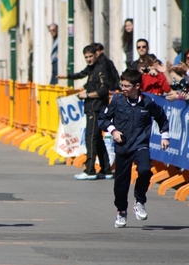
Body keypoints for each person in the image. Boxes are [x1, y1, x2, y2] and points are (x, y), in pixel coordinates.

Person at [98, 68, 169, 228]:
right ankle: (121, 211)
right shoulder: (117, 100)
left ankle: (140, 201)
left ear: (137, 86)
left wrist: (165, 136)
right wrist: (113, 131)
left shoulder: (147, 103)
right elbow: (102, 119)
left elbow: (162, 118)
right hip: (123, 146)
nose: (123, 88)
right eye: (121, 84)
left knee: (145, 170)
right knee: (121, 184)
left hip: (140, 144)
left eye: (126, 85)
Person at [60, 45, 112, 180]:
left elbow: (103, 91)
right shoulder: (92, 69)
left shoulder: (100, 69)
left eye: (90, 56)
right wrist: (66, 76)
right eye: (86, 57)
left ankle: (90, 170)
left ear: (96, 55)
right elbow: (81, 75)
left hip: (96, 108)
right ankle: (106, 169)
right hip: (91, 107)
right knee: (97, 140)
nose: (88, 59)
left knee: (91, 139)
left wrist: (87, 95)